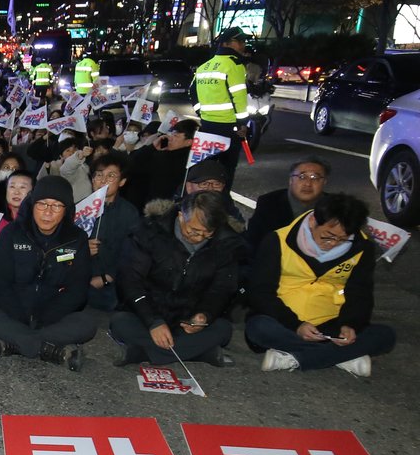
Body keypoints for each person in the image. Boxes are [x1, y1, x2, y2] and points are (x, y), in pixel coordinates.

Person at [247, 193, 396, 377]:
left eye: (343, 239)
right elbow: (261, 292)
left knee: (385, 336)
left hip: (331, 324)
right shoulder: (277, 240)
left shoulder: (362, 248)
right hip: (284, 321)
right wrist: (297, 325)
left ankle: (296, 358)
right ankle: (342, 356)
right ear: (312, 222)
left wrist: (350, 325)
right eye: (328, 236)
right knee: (258, 328)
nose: (333, 244)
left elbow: (360, 293)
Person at [0, 175, 95, 369]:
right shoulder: (12, 233)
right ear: (31, 205)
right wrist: (21, 316)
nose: (47, 212)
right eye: (42, 204)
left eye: (56, 206)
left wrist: (44, 319)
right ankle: (51, 350)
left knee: (87, 323)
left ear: (66, 210)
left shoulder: (76, 239)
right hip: (14, 313)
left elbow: (78, 289)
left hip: (53, 317)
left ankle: (12, 344)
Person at [110, 190, 240, 367]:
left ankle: (140, 353)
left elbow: (222, 289)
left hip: (186, 321)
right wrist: (153, 321)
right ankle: (198, 353)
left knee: (223, 330)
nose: (200, 238)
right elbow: (130, 281)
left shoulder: (225, 243)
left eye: (208, 233)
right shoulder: (150, 232)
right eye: (193, 231)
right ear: (180, 217)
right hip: (147, 312)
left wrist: (204, 315)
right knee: (120, 323)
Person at [192, 26, 250, 187]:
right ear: (227, 43)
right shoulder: (234, 65)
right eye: (240, 41)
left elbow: (192, 91)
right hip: (228, 127)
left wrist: (200, 111)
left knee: (204, 169)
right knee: (226, 170)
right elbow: (238, 96)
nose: (243, 45)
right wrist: (242, 124)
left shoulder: (205, 66)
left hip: (207, 126)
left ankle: (200, 200)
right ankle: (221, 202)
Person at [86, 151, 140, 310]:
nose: (103, 180)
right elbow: (61, 253)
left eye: (111, 176)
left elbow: (134, 255)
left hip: (112, 286)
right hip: (77, 281)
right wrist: (81, 249)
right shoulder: (79, 209)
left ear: (122, 181)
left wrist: (106, 277)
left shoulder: (129, 213)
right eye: (99, 175)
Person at [243, 159, 329, 252]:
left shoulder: (336, 207)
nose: (308, 184)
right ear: (291, 180)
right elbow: (254, 242)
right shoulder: (268, 203)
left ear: (324, 182)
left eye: (315, 177)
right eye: (302, 176)